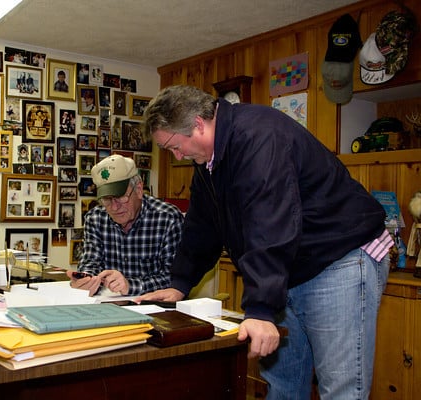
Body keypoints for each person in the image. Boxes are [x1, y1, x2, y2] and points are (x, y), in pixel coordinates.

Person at [137, 85, 393, 399]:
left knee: (340, 390)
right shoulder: (209, 161)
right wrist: (180, 282)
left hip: (340, 258)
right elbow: (203, 223)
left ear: (198, 125)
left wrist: (259, 309)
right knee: (284, 386)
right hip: (290, 266)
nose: (177, 156)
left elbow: (269, 221)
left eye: (174, 146)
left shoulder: (259, 137)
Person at [66, 155, 184, 296]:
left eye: (121, 197)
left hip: (155, 308)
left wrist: (130, 285)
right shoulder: (95, 218)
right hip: (109, 307)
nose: (114, 207)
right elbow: (91, 262)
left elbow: (176, 279)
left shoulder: (167, 218)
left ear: (139, 189)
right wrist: (87, 279)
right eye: (107, 200)